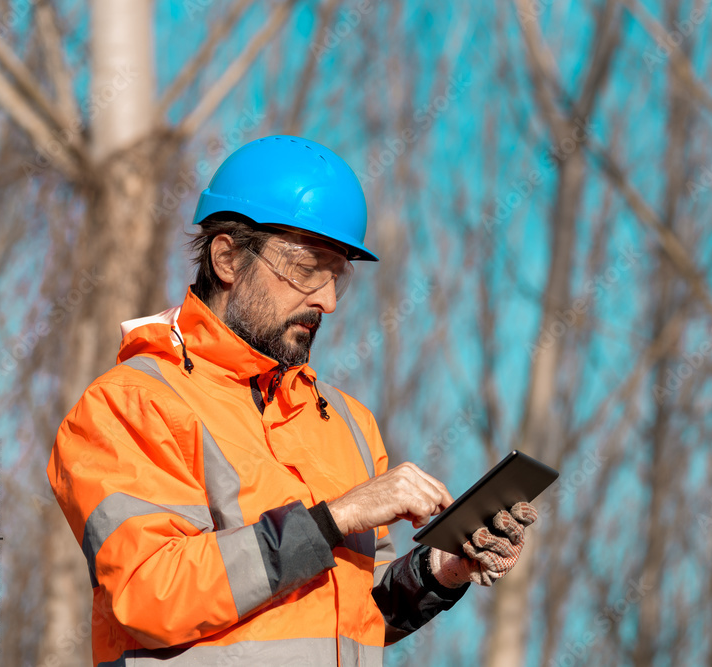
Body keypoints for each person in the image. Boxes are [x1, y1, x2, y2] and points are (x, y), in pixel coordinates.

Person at [47, 135, 538, 666]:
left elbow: (360, 619)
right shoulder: (131, 403)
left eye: (337, 278)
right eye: (307, 269)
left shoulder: (348, 423)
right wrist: (337, 516)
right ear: (228, 257)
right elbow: (149, 594)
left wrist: (438, 571)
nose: (326, 301)